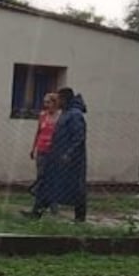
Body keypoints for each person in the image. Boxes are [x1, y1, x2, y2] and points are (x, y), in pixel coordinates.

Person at [31, 87, 88, 222]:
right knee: (47, 184)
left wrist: (68, 154)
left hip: (72, 161)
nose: (58, 101)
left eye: (59, 99)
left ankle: (80, 218)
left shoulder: (75, 114)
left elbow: (79, 137)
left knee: (76, 189)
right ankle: (36, 212)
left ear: (65, 99)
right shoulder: (66, 113)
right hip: (56, 155)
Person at [27, 92, 60, 215]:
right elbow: (38, 132)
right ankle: (39, 204)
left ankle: (53, 206)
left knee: (52, 179)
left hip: (53, 152)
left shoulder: (59, 117)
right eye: (44, 102)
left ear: (55, 103)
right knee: (41, 176)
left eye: (48, 102)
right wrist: (33, 148)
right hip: (41, 150)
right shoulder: (42, 115)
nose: (45, 105)